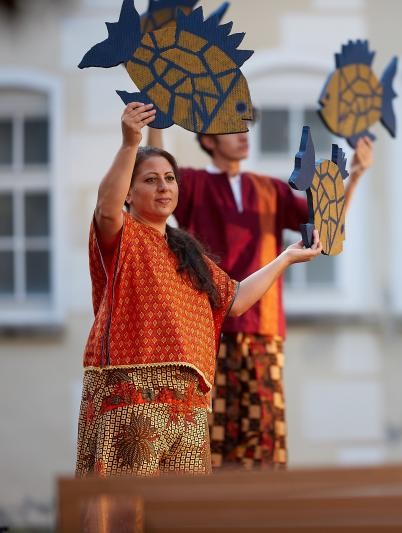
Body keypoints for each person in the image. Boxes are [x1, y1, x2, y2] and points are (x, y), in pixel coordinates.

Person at [76, 103, 321, 478]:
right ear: (128, 192)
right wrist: (130, 144)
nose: (163, 187)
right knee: (126, 508)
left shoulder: (186, 249)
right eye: (150, 179)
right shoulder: (122, 235)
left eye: (170, 178)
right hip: (131, 397)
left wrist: (285, 258)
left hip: (189, 404)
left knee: (181, 513)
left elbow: (236, 299)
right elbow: (106, 209)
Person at [147, 125, 373, 469]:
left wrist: (354, 177)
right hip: (207, 330)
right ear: (209, 140)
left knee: (265, 437)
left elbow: (327, 225)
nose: (243, 135)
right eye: (232, 130)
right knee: (209, 437)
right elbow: (154, 173)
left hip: (263, 329)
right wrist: (155, 125)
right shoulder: (191, 183)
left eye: (245, 128)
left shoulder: (270, 189)